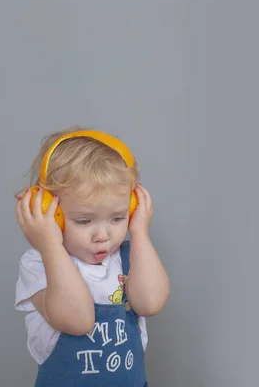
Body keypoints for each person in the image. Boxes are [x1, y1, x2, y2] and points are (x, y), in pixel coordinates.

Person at [13, 126, 170, 386]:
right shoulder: (39, 264)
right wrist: (50, 244)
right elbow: (78, 321)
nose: (102, 235)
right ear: (53, 214)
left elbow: (151, 303)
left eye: (117, 218)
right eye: (84, 221)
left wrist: (139, 232)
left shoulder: (129, 258)